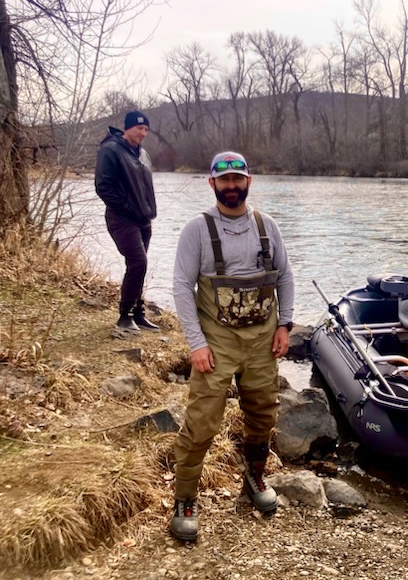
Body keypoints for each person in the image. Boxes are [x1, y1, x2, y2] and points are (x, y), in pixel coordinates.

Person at [170, 151, 295, 541]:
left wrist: (285, 325)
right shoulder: (197, 230)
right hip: (216, 343)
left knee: (263, 415)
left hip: (262, 339)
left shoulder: (267, 226)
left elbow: (286, 277)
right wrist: (196, 343)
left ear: (248, 182)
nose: (231, 186)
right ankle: (185, 500)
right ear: (212, 184)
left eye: (238, 179)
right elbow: (180, 288)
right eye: (224, 181)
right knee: (202, 421)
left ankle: (254, 478)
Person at [94, 110, 159, 333]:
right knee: (138, 262)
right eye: (139, 128)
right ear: (127, 128)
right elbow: (103, 187)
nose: (143, 133)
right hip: (122, 219)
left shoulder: (143, 154)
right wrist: (129, 208)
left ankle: (138, 314)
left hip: (144, 219)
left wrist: (148, 211)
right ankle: (124, 316)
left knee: (138, 266)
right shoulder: (110, 150)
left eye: (146, 129)